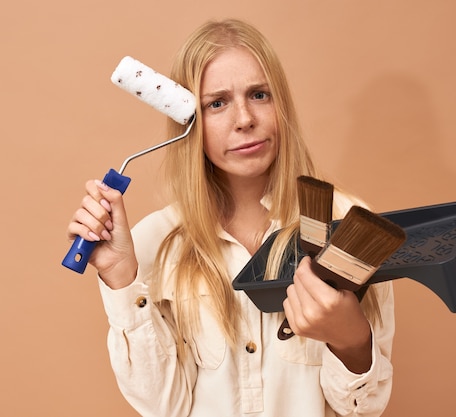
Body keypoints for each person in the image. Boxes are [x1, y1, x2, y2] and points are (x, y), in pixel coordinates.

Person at [66, 18, 395, 417]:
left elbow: (363, 408)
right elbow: (163, 406)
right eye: (216, 103)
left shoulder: (349, 225)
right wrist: (121, 276)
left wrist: (350, 340)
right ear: (187, 121)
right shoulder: (153, 242)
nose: (244, 119)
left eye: (259, 94)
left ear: (281, 104)